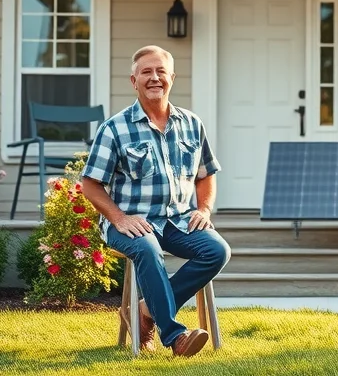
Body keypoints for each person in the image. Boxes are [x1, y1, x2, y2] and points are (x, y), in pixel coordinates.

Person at [79, 45, 231, 357]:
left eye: (160, 71)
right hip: (130, 222)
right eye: (146, 72)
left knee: (217, 250)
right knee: (147, 249)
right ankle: (176, 337)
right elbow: (90, 185)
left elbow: (206, 174)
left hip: (178, 218)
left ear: (172, 78)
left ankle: (145, 312)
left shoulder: (191, 124)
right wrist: (119, 218)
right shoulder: (115, 128)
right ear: (134, 81)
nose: (154, 77)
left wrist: (203, 208)